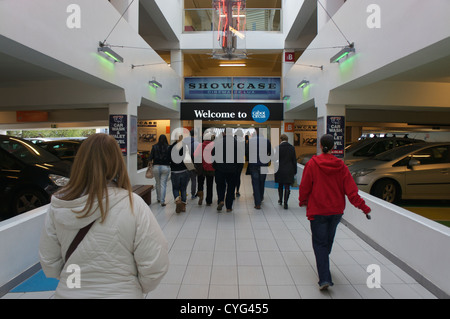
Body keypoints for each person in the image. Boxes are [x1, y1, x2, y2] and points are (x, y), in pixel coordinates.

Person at [39, 133, 169, 299]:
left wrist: (76, 283)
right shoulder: (132, 203)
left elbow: (49, 263)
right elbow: (155, 263)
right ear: (116, 162)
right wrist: (130, 287)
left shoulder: (58, 206)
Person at [299, 134, 371, 291]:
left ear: (320, 145)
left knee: (319, 243)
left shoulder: (312, 164)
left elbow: (304, 186)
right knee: (327, 241)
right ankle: (324, 264)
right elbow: (352, 192)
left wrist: (302, 200)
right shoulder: (341, 167)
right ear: (333, 147)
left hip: (318, 211)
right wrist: (364, 208)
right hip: (336, 211)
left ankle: (324, 278)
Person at [245, 129, 272, 209]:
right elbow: (270, 152)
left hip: (253, 165)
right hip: (264, 164)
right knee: (262, 181)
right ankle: (261, 196)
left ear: (256, 132)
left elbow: (246, 152)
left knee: (255, 183)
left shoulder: (251, 141)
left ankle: (257, 203)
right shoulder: (266, 141)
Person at [212, 129, 238, 212]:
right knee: (231, 187)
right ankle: (229, 207)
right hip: (232, 169)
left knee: (220, 185)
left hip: (220, 168)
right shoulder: (236, 143)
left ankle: (221, 200)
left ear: (224, 133)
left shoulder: (219, 142)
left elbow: (213, 153)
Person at [274, 134, 297, 209]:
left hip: (280, 169)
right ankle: (286, 203)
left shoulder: (277, 148)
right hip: (289, 169)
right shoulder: (292, 148)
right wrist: (295, 171)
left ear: (281, 139)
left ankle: (280, 200)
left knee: (280, 185)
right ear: (287, 139)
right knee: (287, 186)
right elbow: (294, 160)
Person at [169, 134, 190, 213]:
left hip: (174, 171)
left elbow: (168, 158)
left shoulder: (171, 147)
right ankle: (183, 206)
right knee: (183, 189)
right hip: (184, 170)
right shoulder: (185, 147)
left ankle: (178, 201)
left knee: (175, 188)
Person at [148, 134, 171, 206]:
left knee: (157, 183)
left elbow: (150, 157)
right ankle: (162, 201)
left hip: (156, 167)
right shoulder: (168, 147)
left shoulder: (154, 147)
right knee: (163, 184)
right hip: (165, 167)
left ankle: (158, 198)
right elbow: (170, 158)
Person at [194, 132, 215, 206]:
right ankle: (208, 201)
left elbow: (195, 155)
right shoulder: (213, 145)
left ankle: (201, 194)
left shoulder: (200, 145)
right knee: (209, 185)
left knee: (200, 182)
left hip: (201, 168)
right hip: (211, 168)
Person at [183, 129, 200, 199]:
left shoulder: (183, 142)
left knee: (186, 179)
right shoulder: (197, 143)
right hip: (193, 163)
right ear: (195, 135)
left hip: (185, 162)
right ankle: (193, 194)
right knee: (193, 179)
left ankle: (183, 192)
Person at [234, 129, 245, 197]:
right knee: (238, 176)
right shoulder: (243, 141)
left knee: (232, 176)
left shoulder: (233, 140)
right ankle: (237, 191)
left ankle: (232, 190)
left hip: (233, 161)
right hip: (240, 160)